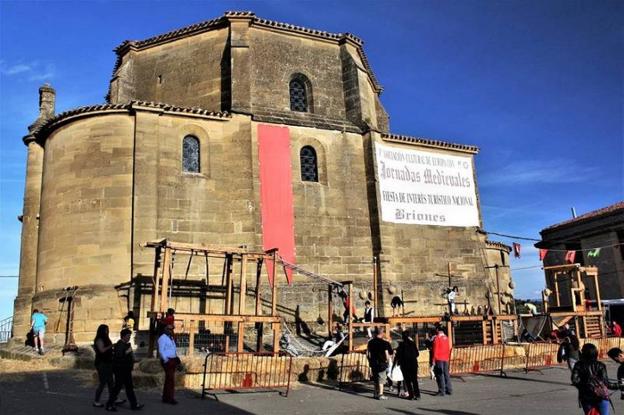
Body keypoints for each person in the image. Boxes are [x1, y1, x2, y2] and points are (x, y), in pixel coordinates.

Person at [571, 343, 618, 415]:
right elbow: (606, 383)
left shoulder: (578, 364)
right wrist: (619, 386)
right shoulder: (600, 365)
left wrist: (586, 385)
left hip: (586, 397)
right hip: (601, 396)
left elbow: (575, 380)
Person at [106, 329, 144, 411]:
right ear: (123, 336)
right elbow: (119, 356)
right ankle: (109, 404)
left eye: (130, 336)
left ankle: (134, 404)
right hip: (120, 369)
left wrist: (134, 360)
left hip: (126, 369)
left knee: (129, 388)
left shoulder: (126, 345)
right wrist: (128, 351)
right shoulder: (119, 345)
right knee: (117, 388)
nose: (129, 338)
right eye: (128, 336)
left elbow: (128, 356)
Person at [93, 324, 124, 408]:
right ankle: (96, 401)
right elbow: (102, 350)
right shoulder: (99, 339)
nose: (107, 331)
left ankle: (113, 398)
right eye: (106, 330)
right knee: (103, 382)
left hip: (108, 362)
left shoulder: (106, 339)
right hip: (102, 363)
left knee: (111, 382)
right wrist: (111, 346)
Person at [366, 327, 393, 400]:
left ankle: (375, 393)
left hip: (373, 362)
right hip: (382, 362)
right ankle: (380, 394)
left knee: (375, 378)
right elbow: (387, 353)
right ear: (382, 333)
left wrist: (369, 360)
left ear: (375, 333)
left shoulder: (370, 342)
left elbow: (368, 353)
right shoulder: (385, 343)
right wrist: (387, 361)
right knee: (381, 379)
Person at [394, 330, 421, 400]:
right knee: (414, 381)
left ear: (402, 336)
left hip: (405, 365)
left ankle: (411, 395)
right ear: (408, 336)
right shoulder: (412, 343)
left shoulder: (401, 345)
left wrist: (397, 362)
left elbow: (398, 355)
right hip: (413, 364)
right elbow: (417, 354)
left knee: (408, 381)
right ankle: (417, 395)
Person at [158, 324, 180, 405]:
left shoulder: (171, 338)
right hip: (168, 360)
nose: (171, 330)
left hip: (172, 359)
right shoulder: (162, 338)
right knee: (170, 380)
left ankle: (166, 397)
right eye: (169, 329)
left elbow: (173, 349)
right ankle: (170, 398)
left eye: (172, 329)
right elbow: (161, 350)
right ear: (165, 329)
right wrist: (166, 360)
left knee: (169, 379)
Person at [432, 323, 452, 396]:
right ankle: (449, 389)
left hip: (439, 358)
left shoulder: (437, 338)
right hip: (445, 358)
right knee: (446, 374)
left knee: (440, 374)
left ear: (437, 330)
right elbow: (448, 348)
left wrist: (433, 360)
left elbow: (435, 350)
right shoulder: (446, 337)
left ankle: (442, 390)